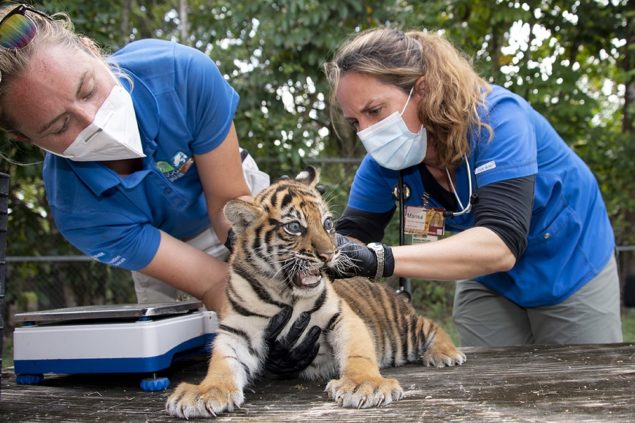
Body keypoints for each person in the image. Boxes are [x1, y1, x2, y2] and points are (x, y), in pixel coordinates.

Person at [0, 4, 317, 373]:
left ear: (90, 48)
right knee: (189, 355)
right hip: (165, 249)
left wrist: (262, 254)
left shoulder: (182, 73)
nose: (93, 121)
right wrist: (262, 327)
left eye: (87, 89)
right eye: (59, 127)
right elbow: (212, 282)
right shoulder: (79, 212)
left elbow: (228, 202)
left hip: (235, 207)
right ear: (22, 137)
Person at [324, 27, 623, 347]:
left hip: (570, 262)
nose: (367, 133)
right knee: (487, 383)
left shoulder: (498, 120)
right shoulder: (383, 164)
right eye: (355, 122)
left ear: (421, 89)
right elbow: (352, 236)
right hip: (489, 277)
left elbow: (501, 243)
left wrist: (380, 259)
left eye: (374, 111)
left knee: (581, 384)